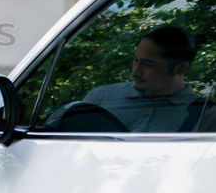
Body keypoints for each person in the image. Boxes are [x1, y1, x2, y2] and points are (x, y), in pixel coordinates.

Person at [81, 25, 215, 132]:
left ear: (180, 69)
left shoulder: (205, 115)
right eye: (135, 60)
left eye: (148, 64)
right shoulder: (101, 97)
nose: (136, 71)